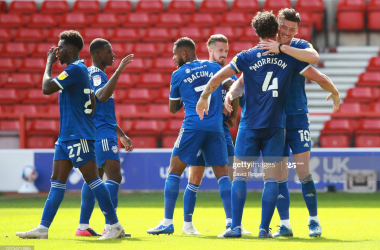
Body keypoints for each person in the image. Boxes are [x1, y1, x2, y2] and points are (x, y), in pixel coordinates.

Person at [196, 11, 311, 238]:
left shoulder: (245, 57)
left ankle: (235, 227)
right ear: (276, 31)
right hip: (276, 127)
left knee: (240, 176)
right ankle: (263, 230)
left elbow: (219, 77)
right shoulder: (289, 57)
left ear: (256, 32)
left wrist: (204, 97)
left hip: (249, 126)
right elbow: (314, 64)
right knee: (271, 179)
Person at [15, 31, 125, 240]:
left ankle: (114, 224)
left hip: (78, 136)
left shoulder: (75, 69)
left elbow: (47, 87)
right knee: (57, 181)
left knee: (93, 179)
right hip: (66, 136)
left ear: (71, 50)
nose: (58, 51)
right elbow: (92, 101)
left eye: (61, 47)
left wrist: (48, 64)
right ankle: (43, 228)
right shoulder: (77, 71)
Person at [257, 8, 340, 237]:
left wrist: (283, 48)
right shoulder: (266, 45)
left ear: (297, 30)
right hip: (275, 120)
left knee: (303, 170)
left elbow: (315, 59)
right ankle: (285, 224)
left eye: (292, 29)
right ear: (277, 25)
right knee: (281, 174)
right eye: (283, 28)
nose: (287, 32)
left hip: (297, 116)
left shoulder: (298, 45)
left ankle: (314, 221)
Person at [147, 37, 228, 235]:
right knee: (223, 175)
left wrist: (188, 95)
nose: (174, 59)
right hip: (216, 128)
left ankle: (167, 222)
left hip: (193, 127)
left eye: (175, 55)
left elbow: (173, 108)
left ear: (184, 54)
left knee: (174, 171)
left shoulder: (178, 74)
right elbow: (232, 88)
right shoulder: (213, 66)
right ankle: (231, 223)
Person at [182, 34, 251, 236]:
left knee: (230, 175)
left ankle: (232, 222)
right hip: (201, 129)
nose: (224, 55)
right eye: (220, 51)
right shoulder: (203, 70)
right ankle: (187, 224)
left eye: (226, 52)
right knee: (195, 177)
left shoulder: (226, 73)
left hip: (221, 130)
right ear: (209, 50)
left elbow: (235, 89)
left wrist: (233, 115)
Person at [75, 38, 134, 237]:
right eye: (109, 51)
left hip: (98, 131)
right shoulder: (98, 74)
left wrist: (122, 135)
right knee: (114, 176)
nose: (113, 55)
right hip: (102, 134)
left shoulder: (91, 74)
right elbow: (101, 96)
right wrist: (119, 71)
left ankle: (83, 226)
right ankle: (111, 226)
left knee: (95, 179)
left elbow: (101, 110)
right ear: (97, 55)